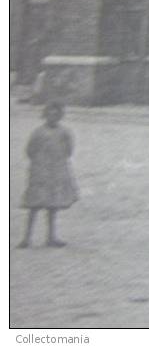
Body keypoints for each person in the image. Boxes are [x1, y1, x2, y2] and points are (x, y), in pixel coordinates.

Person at [18, 102, 78, 248]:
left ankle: (51, 237)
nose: (53, 117)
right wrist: (39, 165)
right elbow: (30, 151)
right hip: (40, 172)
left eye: (56, 114)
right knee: (34, 205)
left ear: (60, 115)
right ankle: (27, 238)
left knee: (53, 206)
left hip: (56, 172)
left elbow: (69, 151)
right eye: (50, 114)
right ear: (45, 115)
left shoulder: (65, 132)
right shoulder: (38, 132)